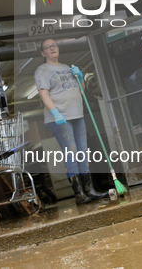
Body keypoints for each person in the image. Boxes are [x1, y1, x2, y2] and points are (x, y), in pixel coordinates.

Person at [34, 39, 108, 205]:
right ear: (42, 53)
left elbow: (80, 90)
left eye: (54, 45)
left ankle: (89, 189)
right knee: (71, 152)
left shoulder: (67, 68)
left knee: (82, 152)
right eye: (47, 47)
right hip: (60, 118)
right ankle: (79, 193)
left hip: (77, 115)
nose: (52, 48)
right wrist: (55, 112)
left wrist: (80, 76)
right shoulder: (42, 70)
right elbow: (43, 94)